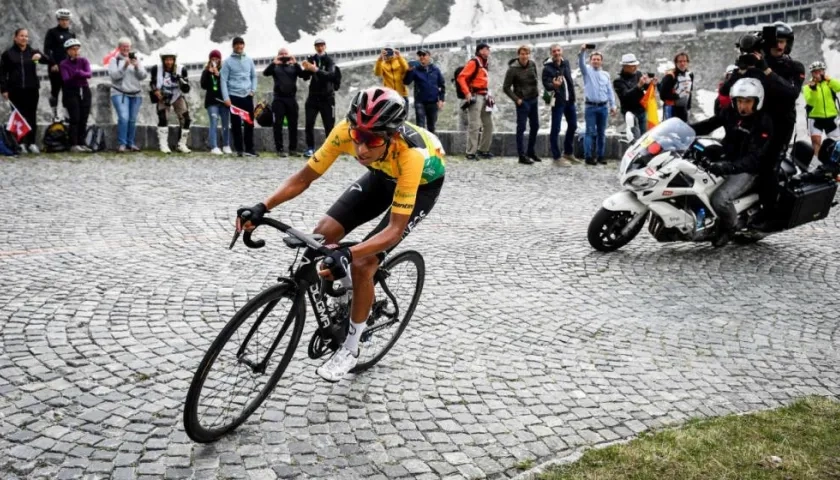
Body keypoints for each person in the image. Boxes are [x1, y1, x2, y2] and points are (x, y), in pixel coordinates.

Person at [235, 87, 445, 382]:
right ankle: (348, 292)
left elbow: (394, 229)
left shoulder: (410, 155)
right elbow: (303, 178)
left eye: (371, 140)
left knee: (363, 264)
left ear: (392, 135)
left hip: (421, 184)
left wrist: (349, 254)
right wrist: (262, 207)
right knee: (322, 234)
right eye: (358, 136)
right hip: (381, 175)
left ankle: (351, 347)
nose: (361, 148)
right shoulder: (347, 131)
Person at [721, 22, 805, 229]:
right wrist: (740, 70)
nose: (778, 45)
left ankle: (771, 214)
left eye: (782, 41)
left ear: (788, 43)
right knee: (729, 151)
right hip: (755, 120)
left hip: (781, 123)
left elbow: (791, 93)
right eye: (774, 42)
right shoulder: (757, 63)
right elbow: (726, 90)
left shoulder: (794, 67)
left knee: (767, 165)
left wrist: (765, 69)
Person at [690, 78, 773, 247]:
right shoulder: (730, 112)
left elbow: (753, 158)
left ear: (757, 101)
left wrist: (728, 167)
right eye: (740, 101)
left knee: (719, 200)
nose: (743, 106)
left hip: (748, 169)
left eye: (748, 102)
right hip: (727, 160)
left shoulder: (763, 123)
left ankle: (729, 229)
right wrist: (683, 129)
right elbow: (709, 124)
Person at [0, 28, 46, 153]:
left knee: (31, 116)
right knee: (18, 117)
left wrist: (40, 57)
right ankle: (20, 143)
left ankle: (31, 143)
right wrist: (3, 89)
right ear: (15, 38)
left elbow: (46, 60)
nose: (24, 38)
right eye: (21, 36)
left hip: (32, 89)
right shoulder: (8, 54)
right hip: (15, 90)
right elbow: (2, 73)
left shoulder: (32, 52)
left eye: (26, 36)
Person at [578, 45, 617, 165]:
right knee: (589, 132)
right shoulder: (587, 72)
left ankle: (601, 156)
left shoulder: (606, 75)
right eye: (593, 59)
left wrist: (613, 105)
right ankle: (588, 156)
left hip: (603, 107)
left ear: (601, 61)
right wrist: (583, 51)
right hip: (590, 107)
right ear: (590, 61)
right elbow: (580, 62)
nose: (596, 61)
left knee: (601, 133)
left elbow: (609, 90)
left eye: (598, 59)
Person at [300, 38, 339, 158]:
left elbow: (331, 76)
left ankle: (330, 149)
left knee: (329, 125)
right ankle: (310, 148)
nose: (320, 47)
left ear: (325, 46)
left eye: (322, 45)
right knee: (309, 123)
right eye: (317, 45)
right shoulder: (312, 59)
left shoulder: (330, 60)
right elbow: (305, 77)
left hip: (327, 97)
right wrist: (306, 68)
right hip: (313, 97)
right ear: (315, 47)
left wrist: (316, 69)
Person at [503, 45, 541, 165]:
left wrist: (537, 92)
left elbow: (535, 78)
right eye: (522, 54)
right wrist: (517, 100)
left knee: (535, 126)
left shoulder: (532, 64)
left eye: (527, 53)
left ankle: (531, 151)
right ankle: (521, 155)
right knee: (521, 128)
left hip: (533, 99)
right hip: (522, 102)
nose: (525, 56)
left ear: (529, 54)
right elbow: (506, 88)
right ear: (518, 55)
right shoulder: (512, 69)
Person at [108, 37, 147, 153]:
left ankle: (130, 143)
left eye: (128, 46)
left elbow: (143, 76)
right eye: (123, 46)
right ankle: (122, 144)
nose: (126, 48)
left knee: (132, 120)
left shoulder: (136, 59)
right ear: (119, 48)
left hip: (136, 94)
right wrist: (125, 66)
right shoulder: (114, 61)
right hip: (120, 93)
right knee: (124, 118)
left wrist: (136, 67)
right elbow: (114, 77)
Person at [221, 37, 258, 157]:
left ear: (244, 45)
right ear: (233, 46)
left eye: (241, 44)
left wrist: (253, 90)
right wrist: (226, 98)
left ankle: (249, 149)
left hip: (247, 96)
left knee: (249, 123)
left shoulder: (249, 60)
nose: (239, 46)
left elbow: (254, 76)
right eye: (236, 44)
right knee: (236, 124)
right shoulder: (227, 62)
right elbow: (223, 80)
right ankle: (239, 149)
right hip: (234, 96)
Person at [457, 42, 494, 160]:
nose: (488, 51)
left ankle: (483, 149)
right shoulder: (474, 62)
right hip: (475, 95)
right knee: (475, 124)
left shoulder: (484, 63)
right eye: (486, 49)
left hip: (485, 95)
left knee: (488, 124)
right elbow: (461, 77)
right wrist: (467, 93)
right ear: (480, 51)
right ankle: (470, 152)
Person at [542, 44, 577, 165]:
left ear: (561, 51)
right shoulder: (547, 68)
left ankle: (568, 152)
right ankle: (556, 157)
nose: (556, 53)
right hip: (558, 101)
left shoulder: (565, 62)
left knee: (573, 125)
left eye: (558, 50)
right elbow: (546, 84)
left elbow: (569, 81)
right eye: (554, 51)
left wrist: (573, 95)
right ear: (551, 53)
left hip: (569, 100)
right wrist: (554, 86)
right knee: (556, 128)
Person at [264, 47, 303, 156]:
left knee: (293, 124)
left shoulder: (293, 67)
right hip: (278, 99)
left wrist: (295, 63)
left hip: (291, 98)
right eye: (282, 54)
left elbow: (302, 75)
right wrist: (274, 62)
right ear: (278, 55)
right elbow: (265, 73)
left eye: (286, 54)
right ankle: (279, 149)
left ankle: (293, 149)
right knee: (278, 124)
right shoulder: (275, 67)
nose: (284, 56)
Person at [150, 50, 191, 154]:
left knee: (186, 118)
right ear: (163, 60)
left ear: (174, 60)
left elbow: (186, 89)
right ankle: (163, 145)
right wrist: (156, 91)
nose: (169, 62)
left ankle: (181, 144)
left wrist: (181, 80)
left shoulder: (181, 69)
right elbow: (152, 82)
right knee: (163, 117)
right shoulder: (156, 69)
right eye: (167, 60)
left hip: (177, 95)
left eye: (171, 59)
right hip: (163, 96)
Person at [59, 38, 92, 153]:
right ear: (68, 51)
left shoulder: (84, 61)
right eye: (73, 49)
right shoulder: (64, 64)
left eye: (77, 49)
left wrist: (79, 73)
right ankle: (74, 143)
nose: (76, 51)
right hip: (71, 91)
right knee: (75, 118)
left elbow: (89, 74)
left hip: (84, 90)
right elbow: (66, 79)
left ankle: (81, 142)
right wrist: (77, 74)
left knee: (84, 117)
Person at [802, 61, 840, 157]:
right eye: (815, 72)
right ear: (812, 73)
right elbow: (811, 102)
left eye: (820, 71)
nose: (818, 74)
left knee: (835, 142)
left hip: (831, 116)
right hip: (815, 118)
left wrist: (829, 80)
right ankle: (820, 164)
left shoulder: (830, 83)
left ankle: (835, 162)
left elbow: (839, 87)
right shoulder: (807, 87)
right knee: (816, 141)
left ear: (824, 71)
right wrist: (813, 90)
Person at [613, 53, 653, 144]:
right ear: (625, 66)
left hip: (641, 109)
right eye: (632, 66)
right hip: (630, 112)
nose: (635, 68)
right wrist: (638, 86)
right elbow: (625, 97)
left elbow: (644, 88)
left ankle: (646, 154)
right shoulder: (618, 81)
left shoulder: (638, 74)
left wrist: (649, 83)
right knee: (635, 137)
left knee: (646, 135)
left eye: (635, 65)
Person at [402, 49, 445, 133]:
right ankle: (421, 145)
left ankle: (432, 145)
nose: (421, 57)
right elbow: (406, 82)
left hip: (433, 101)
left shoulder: (435, 69)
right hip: (420, 101)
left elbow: (441, 85)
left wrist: (441, 99)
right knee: (420, 126)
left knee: (431, 126)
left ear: (429, 56)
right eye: (419, 55)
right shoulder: (415, 69)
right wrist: (409, 71)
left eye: (424, 55)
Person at [44, 9, 76, 120]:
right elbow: (47, 50)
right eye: (62, 20)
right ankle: (54, 115)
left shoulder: (71, 34)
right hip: (55, 67)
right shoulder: (52, 32)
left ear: (69, 21)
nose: (64, 22)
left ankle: (66, 115)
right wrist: (52, 63)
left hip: (68, 68)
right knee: (55, 91)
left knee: (67, 91)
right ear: (58, 20)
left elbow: (74, 50)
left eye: (66, 20)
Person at [201, 49, 231, 155]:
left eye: (217, 58)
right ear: (210, 60)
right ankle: (214, 146)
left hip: (223, 101)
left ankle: (226, 145)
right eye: (213, 59)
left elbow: (227, 84)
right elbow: (203, 85)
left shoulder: (223, 70)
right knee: (213, 121)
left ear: (220, 59)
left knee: (225, 123)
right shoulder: (206, 71)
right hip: (211, 102)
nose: (215, 60)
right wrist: (209, 74)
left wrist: (219, 76)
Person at [659, 52, 694, 122]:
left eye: (684, 61)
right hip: (671, 108)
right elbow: (663, 95)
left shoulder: (690, 75)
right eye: (680, 61)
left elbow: (689, 92)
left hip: (684, 108)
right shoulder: (670, 76)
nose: (682, 63)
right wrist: (678, 96)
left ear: (687, 62)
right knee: (671, 131)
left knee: (683, 130)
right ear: (676, 63)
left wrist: (688, 107)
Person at [374, 46, 410, 110]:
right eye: (385, 55)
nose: (387, 56)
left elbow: (405, 68)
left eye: (389, 54)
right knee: (392, 116)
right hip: (390, 95)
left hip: (402, 93)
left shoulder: (399, 61)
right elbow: (377, 73)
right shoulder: (382, 64)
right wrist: (379, 59)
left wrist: (399, 56)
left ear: (393, 54)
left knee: (404, 115)